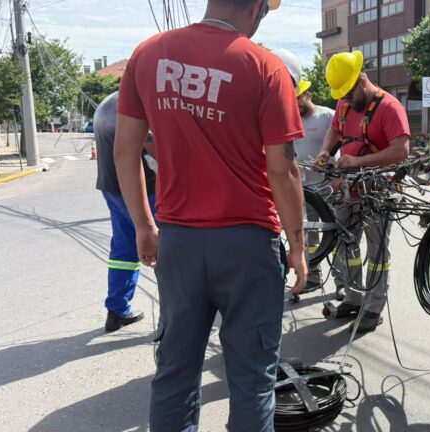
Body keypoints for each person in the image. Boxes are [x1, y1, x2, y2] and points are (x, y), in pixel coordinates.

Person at [114, 0, 307, 431]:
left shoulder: (148, 54)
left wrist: (145, 226)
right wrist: (298, 247)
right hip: (249, 246)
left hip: (180, 242)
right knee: (252, 380)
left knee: (175, 376)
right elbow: (283, 169)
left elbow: (125, 151)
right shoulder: (266, 67)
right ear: (256, 6)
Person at [316, 50, 410, 333]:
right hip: (347, 187)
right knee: (346, 241)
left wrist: (359, 162)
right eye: (340, 96)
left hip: (377, 189)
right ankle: (354, 297)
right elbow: (335, 131)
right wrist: (325, 151)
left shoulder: (390, 108)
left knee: (377, 248)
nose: (343, 100)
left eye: (347, 93)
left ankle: (373, 306)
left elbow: (401, 151)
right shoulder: (345, 106)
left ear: (362, 80)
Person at [273, 49, 336, 293]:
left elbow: (339, 145)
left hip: (329, 189)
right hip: (304, 191)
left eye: (297, 98)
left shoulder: (326, 116)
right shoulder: (289, 119)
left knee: (336, 236)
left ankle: (342, 284)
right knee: (308, 237)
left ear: (307, 94)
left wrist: (333, 164)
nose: (294, 104)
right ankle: (312, 276)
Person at [94, 91, 156, 332]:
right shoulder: (138, 101)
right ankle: (174, 317)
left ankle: (118, 309)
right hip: (144, 190)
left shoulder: (107, 102)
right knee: (163, 248)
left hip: (112, 188)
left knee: (124, 248)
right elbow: (150, 143)